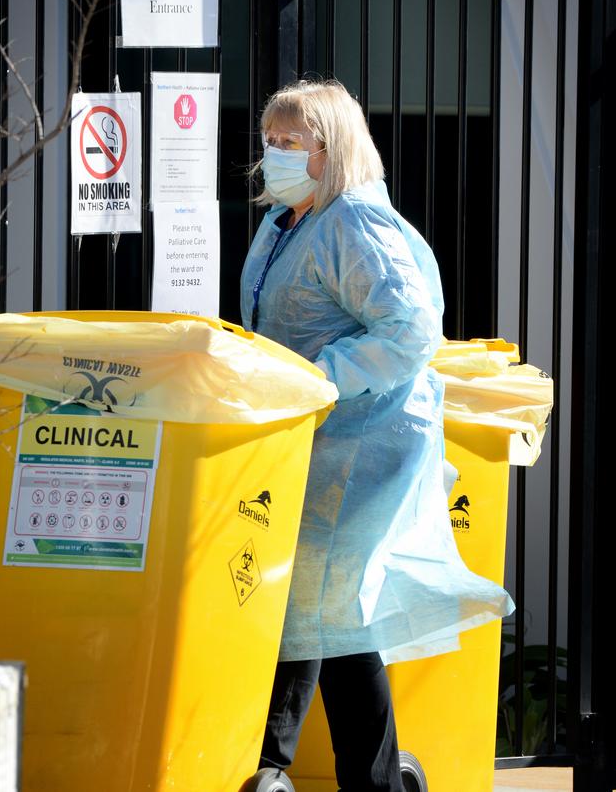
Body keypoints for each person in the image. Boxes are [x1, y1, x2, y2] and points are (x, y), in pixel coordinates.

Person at [240, 80, 513, 792]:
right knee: (316, 603)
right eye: (269, 140)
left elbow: (411, 328)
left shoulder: (355, 221)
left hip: (364, 439)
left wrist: (324, 374)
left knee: (329, 604)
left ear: (331, 148)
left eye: (290, 142)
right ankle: (313, 768)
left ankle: (305, 768)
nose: (274, 154)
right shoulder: (284, 222)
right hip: (312, 438)